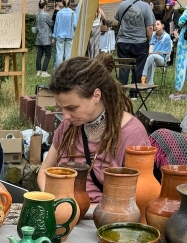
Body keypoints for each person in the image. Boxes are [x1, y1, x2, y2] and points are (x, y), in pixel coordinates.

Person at [38, 57, 149, 202]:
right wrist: (53, 201)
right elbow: (45, 169)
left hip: (101, 220)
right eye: (61, 108)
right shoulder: (69, 126)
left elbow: (137, 198)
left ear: (96, 95)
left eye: (72, 108)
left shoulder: (132, 134)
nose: (65, 116)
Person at [114, 0, 155, 89]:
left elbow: (118, 21)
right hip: (140, 42)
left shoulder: (122, 5)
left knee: (124, 68)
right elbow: (150, 27)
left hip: (123, 41)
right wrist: (148, 41)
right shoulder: (146, 6)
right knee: (138, 68)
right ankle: (134, 94)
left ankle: (121, 92)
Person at [142, 20, 172, 85]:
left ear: (162, 25)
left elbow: (165, 52)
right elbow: (151, 49)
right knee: (151, 60)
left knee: (152, 56)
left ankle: (143, 75)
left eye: (158, 24)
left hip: (162, 59)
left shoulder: (166, 37)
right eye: (155, 25)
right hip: (152, 57)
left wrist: (153, 53)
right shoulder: (153, 36)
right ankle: (149, 86)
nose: (156, 26)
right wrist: (152, 53)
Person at [53, 1, 76, 69]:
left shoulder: (59, 13)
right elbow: (75, 25)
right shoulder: (72, 13)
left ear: (63, 3)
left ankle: (59, 69)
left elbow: (56, 25)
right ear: (70, 4)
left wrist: (54, 35)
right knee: (68, 54)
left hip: (60, 35)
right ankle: (67, 69)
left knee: (59, 53)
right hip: (69, 35)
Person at [35, 0, 54, 77]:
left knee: (39, 55)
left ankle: (38, 71)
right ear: (45, 6)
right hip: (46, 37)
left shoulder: (37, 15)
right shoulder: (46, 15)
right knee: (48, 54)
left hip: (39, 37)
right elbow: (51, 23)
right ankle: (44, 71)